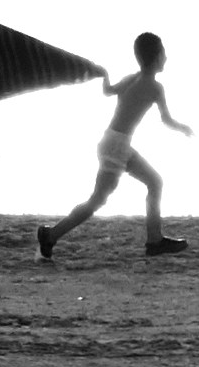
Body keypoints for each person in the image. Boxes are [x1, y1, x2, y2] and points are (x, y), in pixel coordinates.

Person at [37, 34, 188, 262]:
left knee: (154, 182)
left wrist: (104, 75)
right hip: (117, 146)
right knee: (97, 200)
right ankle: (50, 235)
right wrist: (183, 128)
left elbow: (108, 91)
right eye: (163, 53)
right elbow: (166, 120)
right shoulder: (156, 88)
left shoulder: (132, 78)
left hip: (114, 142)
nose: (166, 57)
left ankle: (155, 240)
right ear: (157, 57)